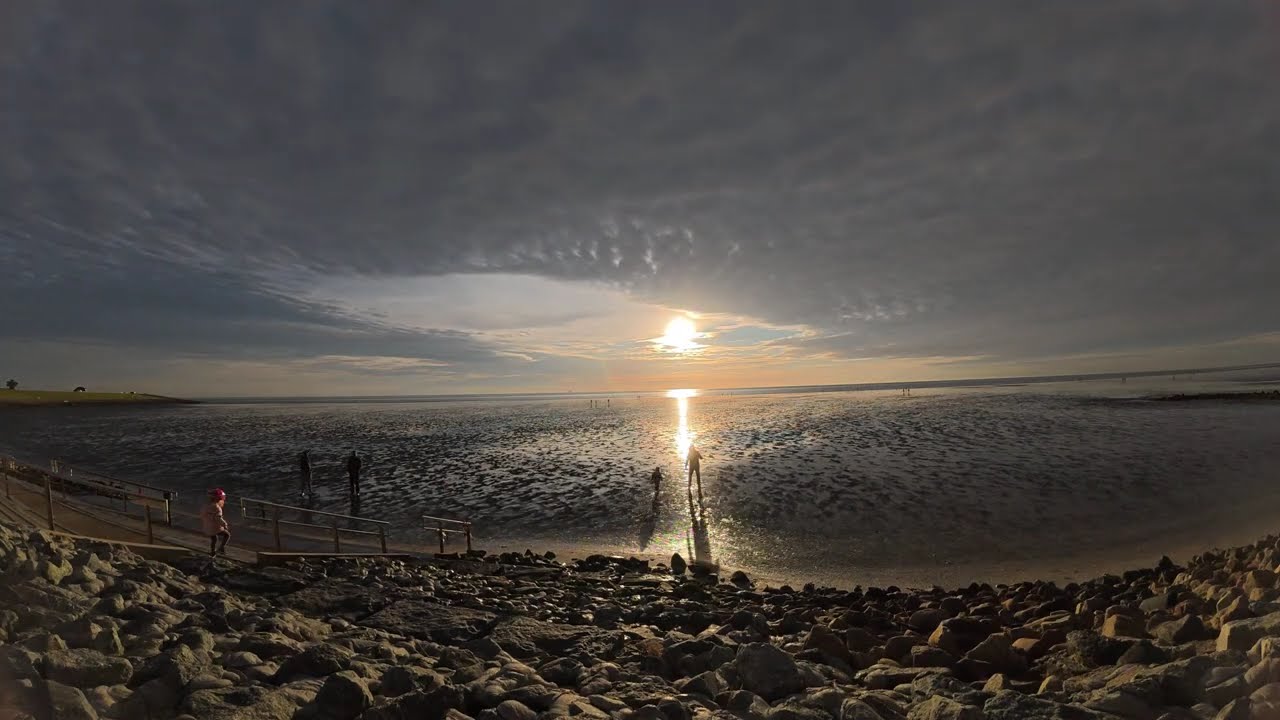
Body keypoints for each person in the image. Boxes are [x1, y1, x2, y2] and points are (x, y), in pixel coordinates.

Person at [201, 488, 230, 557]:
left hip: (207, 527)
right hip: (215, 528)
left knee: (214, 539)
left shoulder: (205, 506)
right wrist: (225, 524)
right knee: (227, 535)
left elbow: (202, 515)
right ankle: (221, 547)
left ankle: (212, 552)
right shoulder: (217, 508)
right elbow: (218, 518)